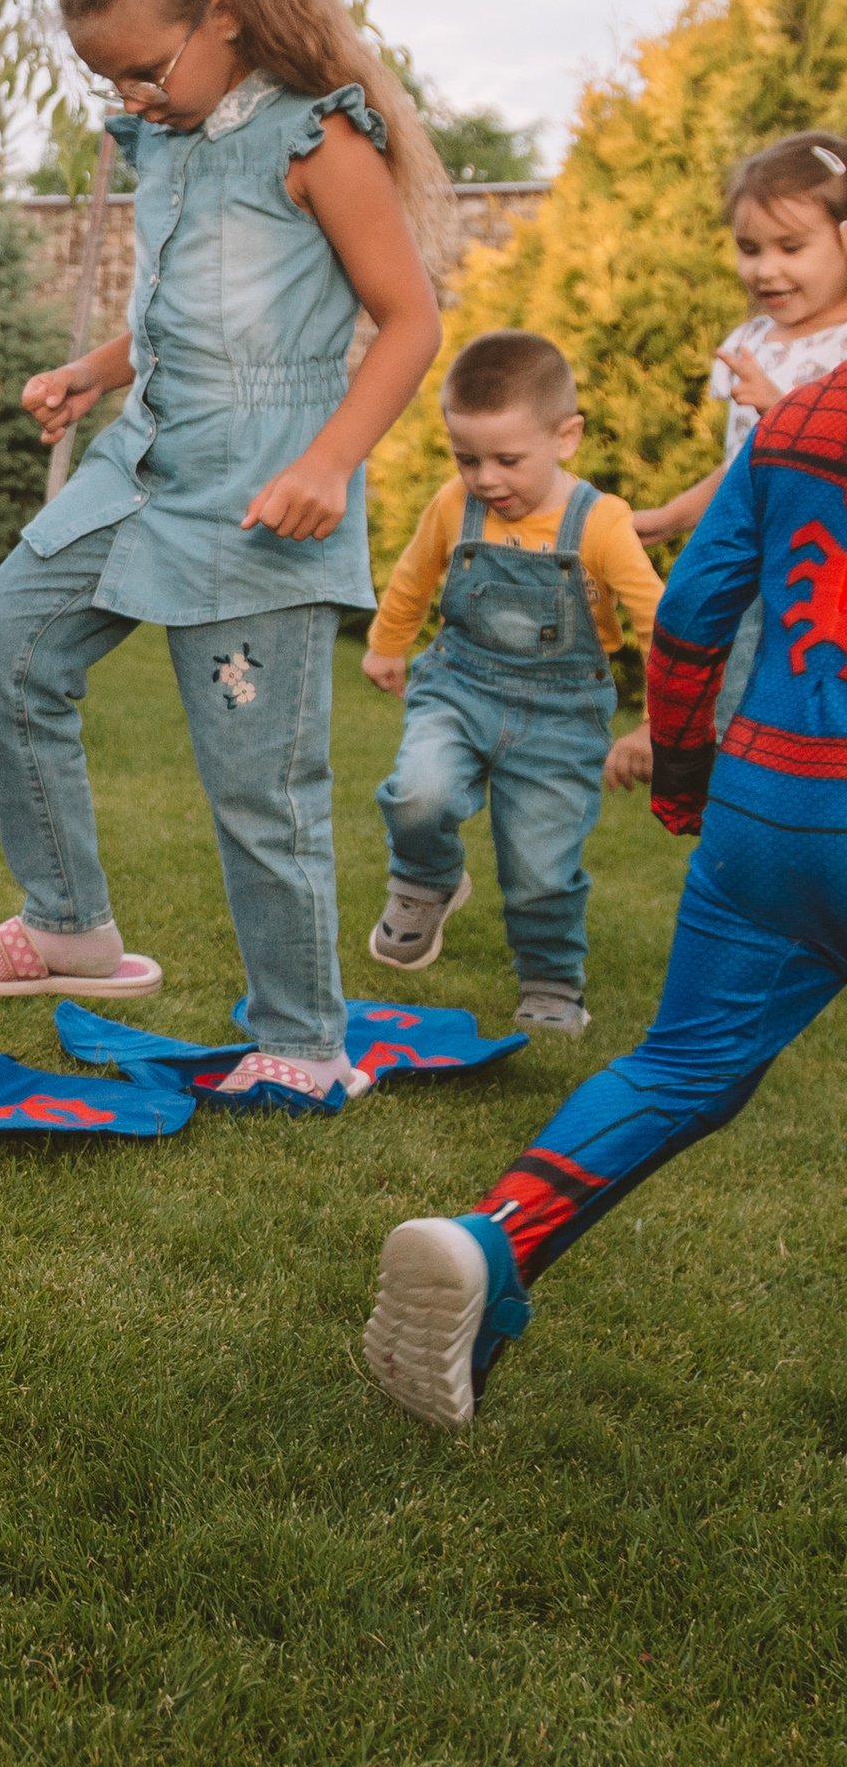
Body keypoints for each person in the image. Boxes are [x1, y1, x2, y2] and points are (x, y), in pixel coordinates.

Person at [0, 0, 447, 1107]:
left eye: (145, 69)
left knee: (259, 787)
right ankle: (66, 925)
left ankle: (302, 1042)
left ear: (223, 14)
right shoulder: (164, 138)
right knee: (0, 655)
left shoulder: (316, 138)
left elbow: (406, 319)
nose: (131, 96)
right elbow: (197, 315)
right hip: (142, 459)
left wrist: (328, 462)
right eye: (108, 79)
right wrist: (95, 371)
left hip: (262, 492)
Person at [364, 347, 847, 1428]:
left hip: (771, 808)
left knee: (678, 1066)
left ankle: (487, 1241)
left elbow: (687, 621)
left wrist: (682, 767)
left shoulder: (805, 413)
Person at [359, 331, 660, 1040]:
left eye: (506, 460)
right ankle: (425, 882)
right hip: (460, 686)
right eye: (467, 459)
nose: (486, 479)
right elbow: (413, 574)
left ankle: (552, 979)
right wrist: (386, 643)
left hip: (562, 714)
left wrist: (662, 718)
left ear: (567, 438)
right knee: (417, 793)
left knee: (543, 868)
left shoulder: (601, 523)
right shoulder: (452, 507)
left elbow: (659, 622)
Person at [630, 134, 847, 734]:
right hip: (746, 567)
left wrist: (781, 409)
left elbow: (827, 457)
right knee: (728, 717)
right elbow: (743, 467)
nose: (765, 269)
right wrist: (674, 515)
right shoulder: (750, 341)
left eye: (791, 247)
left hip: (818, 581)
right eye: (749, 248)